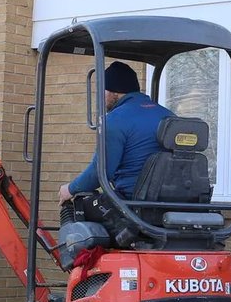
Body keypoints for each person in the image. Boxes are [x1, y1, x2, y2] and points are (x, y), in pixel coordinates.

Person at [59, 61, 175, 212]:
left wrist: (70, 189)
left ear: (115, 92)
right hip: (171, 203)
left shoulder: (115, 120)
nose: (102, 97)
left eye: (103, 91)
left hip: (132, 204)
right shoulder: (170, 116)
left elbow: (100, 171)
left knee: (78, 208)